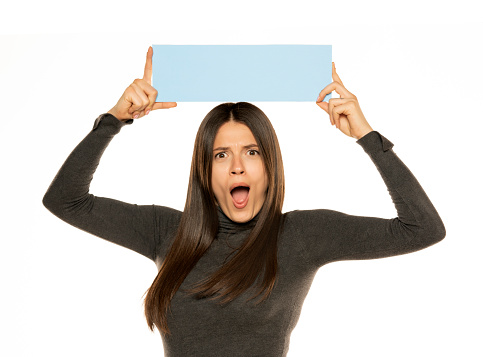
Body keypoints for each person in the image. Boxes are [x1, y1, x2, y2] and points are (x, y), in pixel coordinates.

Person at [42, 46, 446, 357]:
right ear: (205, 171)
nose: (237, 167)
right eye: (221, 155)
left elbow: (422, 228)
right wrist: (114, 120)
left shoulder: (302, 235)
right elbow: (65, 200)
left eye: (252, 152)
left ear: (270, 166)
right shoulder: (168, 231)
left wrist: (367, 137)